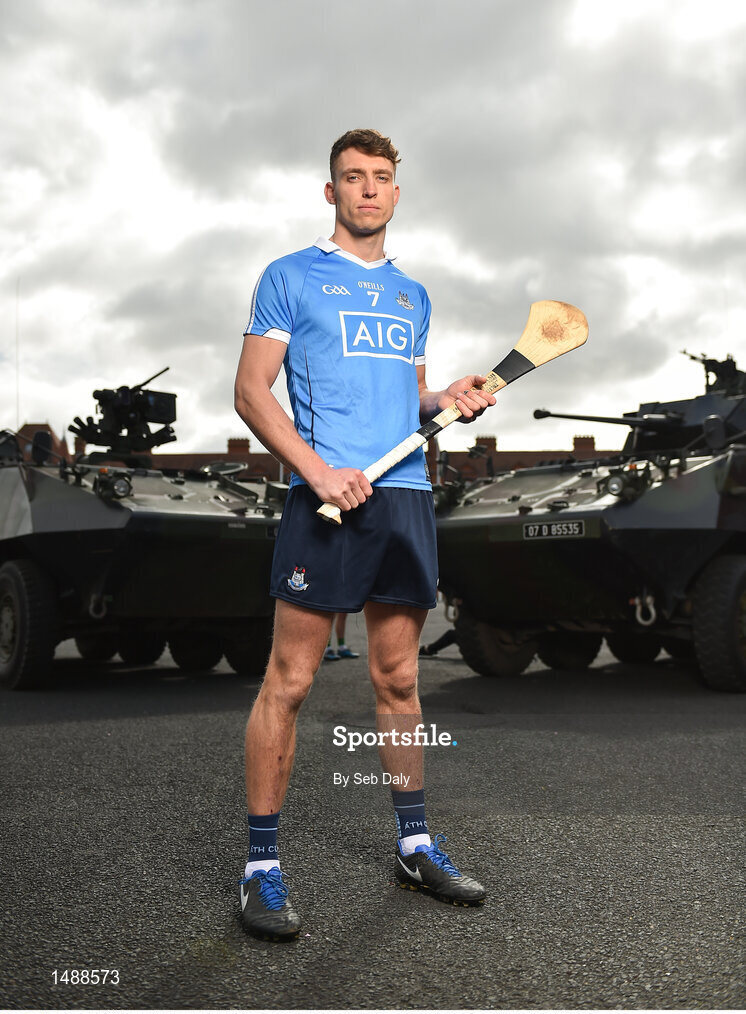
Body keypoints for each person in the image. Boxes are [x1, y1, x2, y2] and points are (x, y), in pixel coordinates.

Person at [234, 128, 495, 941]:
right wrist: (316, 473)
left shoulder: (413, 296)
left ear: (394, 190)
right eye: (354, 177)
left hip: (405, 495)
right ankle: (261, 869)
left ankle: (415, 846)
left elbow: (407, 400)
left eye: (382, 178)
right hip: (327, 501)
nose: (369, 190)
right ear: (332, 192)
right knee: (291, 680)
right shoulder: (290, 276)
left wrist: (446, 395)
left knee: (398, 680)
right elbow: (250, 391)